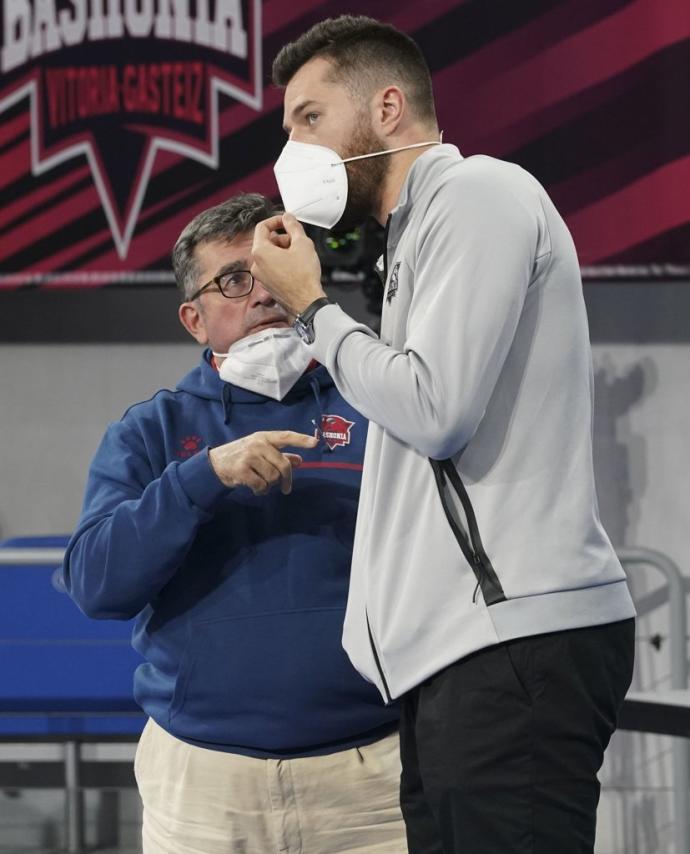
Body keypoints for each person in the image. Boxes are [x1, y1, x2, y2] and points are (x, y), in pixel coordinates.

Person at [249, 16, 637, 854]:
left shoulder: (478, 193)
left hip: (512, 643)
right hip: (455, 659)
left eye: (309, 119)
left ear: (388, 108)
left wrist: (316, 311)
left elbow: (436, 409)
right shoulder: (413, 235)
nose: (292, 152)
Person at [62, 193, 407, 854]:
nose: (262, 294)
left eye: (273, 271)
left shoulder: (379, 402)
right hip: (203, 782)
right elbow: (97, 585)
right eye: (233, 281)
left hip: (369, 776)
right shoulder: (150, 432)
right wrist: (202, 478)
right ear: (194, 319)